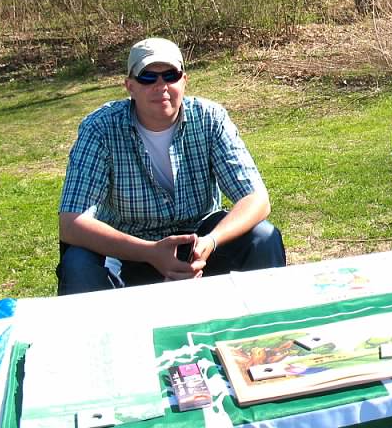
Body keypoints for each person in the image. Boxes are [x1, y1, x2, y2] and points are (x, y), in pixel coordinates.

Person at [57, 37, 286, 294]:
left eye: (170, 75)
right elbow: (71, 223)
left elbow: (256, 199)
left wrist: (210, 241)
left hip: (200, 245)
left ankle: (262, 328)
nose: (161, 86)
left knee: (263, 239)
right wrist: (150, 252)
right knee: (78, 263)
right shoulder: (99, 128)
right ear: (129, 86)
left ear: (184, 81)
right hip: (129, 249)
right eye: (148, 78)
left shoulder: (211, 118)